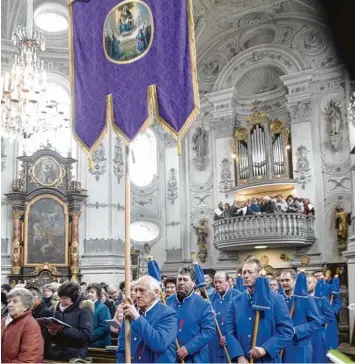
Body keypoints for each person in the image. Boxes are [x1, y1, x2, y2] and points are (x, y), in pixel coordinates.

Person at [225, 257, 294, 363]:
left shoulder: (276, 299)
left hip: (267, 359)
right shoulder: (236, 301)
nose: (246, 276)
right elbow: (229, 331)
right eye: (244, 273)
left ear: (259, 274)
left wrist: (265, 349)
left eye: (250, 272)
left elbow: (286, 331)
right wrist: (239, 356)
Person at [117, 275, 178, 363]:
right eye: (136, 290)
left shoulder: (168, 314)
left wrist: (137, 318)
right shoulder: (129, 313)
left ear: (156, 292)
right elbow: (122, 349)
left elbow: (159, 344)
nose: (137, 295)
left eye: (142, 290)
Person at [166, 266, 216, 363]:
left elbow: (208, 331)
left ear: (193, 283)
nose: (181, 282)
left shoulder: (203, 304)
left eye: (185, 280)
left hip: (195, 357)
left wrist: (188, 348)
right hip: (171, 357)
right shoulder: (167, 302)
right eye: (179, 279)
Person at [280, 269, 321, 363]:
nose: (284, 283)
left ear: (294, 281)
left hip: (299, 346)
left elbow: (316, 323)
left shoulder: (306, 299)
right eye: (282, 281)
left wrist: (296, 330)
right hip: (282, 346)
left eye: (287, 280)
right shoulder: (278, 299)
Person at [49, 281, 94, 361]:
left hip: (76, 353)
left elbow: (85, 336)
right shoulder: (57, 308)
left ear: (74, 297)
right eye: (61, 298)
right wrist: (52, 332)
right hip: (58, 352)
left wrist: (63, 329)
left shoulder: (83, 309)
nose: (61, 301)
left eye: (65, 298)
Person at [1, 288, 44, 363]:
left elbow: (28, 359)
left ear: (26, 306)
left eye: (15, 302)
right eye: (9, 301)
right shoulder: (3, 321)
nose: (10, 304)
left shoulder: (30, 325)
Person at [208, 272, 241, 363]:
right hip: (214, 342)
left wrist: (230, 336)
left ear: (228, 281)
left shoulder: (238, 296)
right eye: (215, 282)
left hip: (231, 343)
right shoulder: (210, 298)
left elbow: (242, 322)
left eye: (220, 282)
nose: (217, 285)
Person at [307, 276, 334, 363]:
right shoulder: (299, 298)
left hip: (317, 333)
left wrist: (316, 320)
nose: (306, 285)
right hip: (304, 334)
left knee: (318, 357)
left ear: (315, 284)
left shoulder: (321, 298)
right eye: (305, 283)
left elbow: (330, 316)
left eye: (309, 283)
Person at [27, 284, 53, 359]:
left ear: (38, 296)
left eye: (34, 295)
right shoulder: (28, 310)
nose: (32, 298)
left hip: (41, 350)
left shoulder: (45, 311)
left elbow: (46, 336)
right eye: (28, 296)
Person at [86, 283, 111, 348]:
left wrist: (87, 336)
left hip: (98, 343)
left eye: (92, 292)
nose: (89, 294)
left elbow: (105, 327)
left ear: (98, 295)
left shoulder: (103, 308)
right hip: (87, 343)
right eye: (88, 292)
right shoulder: (85, 307)